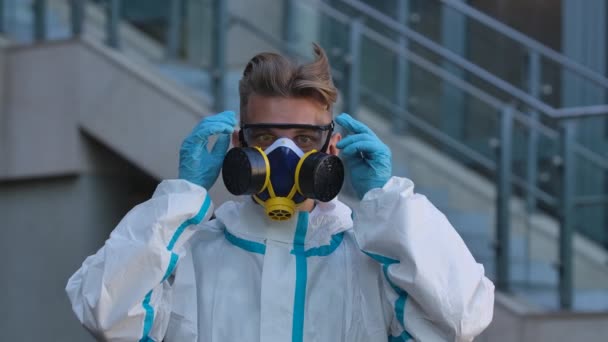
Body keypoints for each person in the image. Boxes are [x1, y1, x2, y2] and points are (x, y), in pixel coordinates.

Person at [66, 44, 494, 341]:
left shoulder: (369, 260)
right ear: (240, 144)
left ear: (332, 146)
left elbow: (461, 319)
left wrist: (389, 202)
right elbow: (106, 315)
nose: (283, 153)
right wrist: (181, 195)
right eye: (266, 136)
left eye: (304, 139)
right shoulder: (190, 255)